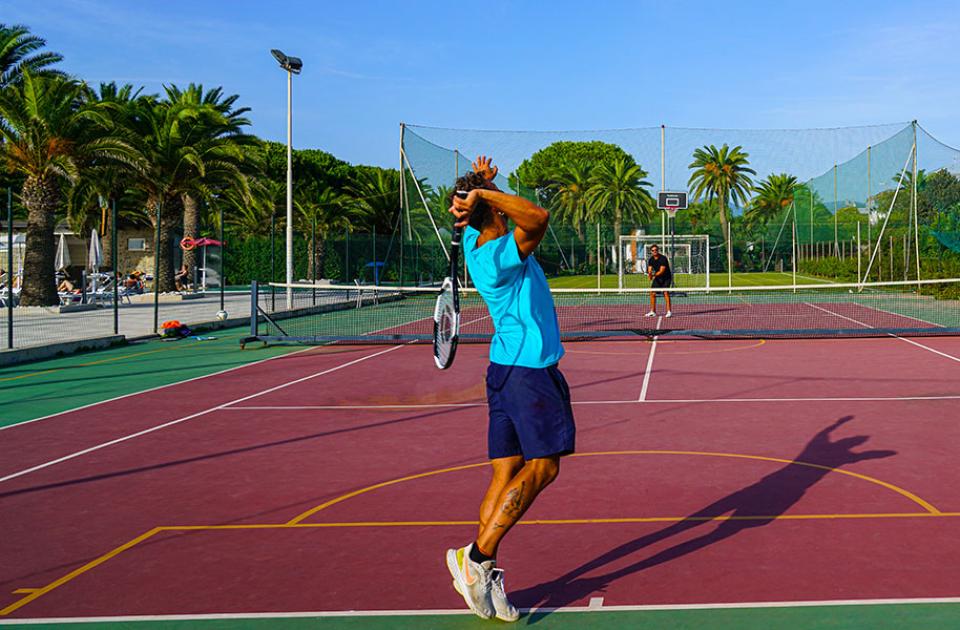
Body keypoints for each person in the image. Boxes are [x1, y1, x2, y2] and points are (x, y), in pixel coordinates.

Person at [445, 156, 575, 622]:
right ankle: (476, 559)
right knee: (544, 468)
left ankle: (483, 573)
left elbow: (481, 215)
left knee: (504, 476)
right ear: (495, 213)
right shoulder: (501, 255)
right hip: (529, 372)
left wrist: (481, 185)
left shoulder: (475, 241)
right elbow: (538, 217)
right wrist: (483, 194)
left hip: (503, 369)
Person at [644, 244, 672, 318]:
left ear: (658, 250)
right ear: (651, 252)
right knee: (652, 293)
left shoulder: (663, 258)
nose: (655, 251)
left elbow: (661, 271)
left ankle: (669, 311)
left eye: (656, 250)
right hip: (658, 278)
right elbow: (649, 269)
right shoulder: (651, 260)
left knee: (665, 292)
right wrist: (649, 274)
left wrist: (653, 275)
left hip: (666, 278)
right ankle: (653, 311)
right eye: (653, 250)